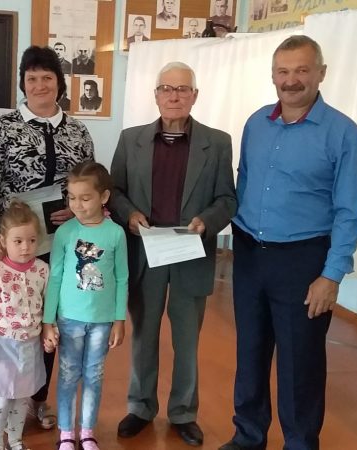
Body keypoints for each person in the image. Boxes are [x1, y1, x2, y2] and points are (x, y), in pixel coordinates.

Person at [219, 36, 357, 450]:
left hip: (304, 262)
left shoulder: (344, 134)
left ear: (321, 73)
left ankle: (300, 443)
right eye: (283, 71)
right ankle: (248, 436)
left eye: (302, 70)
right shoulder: (255, 124)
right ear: (272, 76)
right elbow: (244, 184)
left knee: (300, 363)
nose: (291, 80)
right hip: (250, 254)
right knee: (250, 353)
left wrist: (331, 276)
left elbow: (349, 213)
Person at [109, 61, 237, 447]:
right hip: (144, 252)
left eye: (182, 89)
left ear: (194, 95)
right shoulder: (130, 139)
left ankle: (183, 412)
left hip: (190, 251)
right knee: (143, 335)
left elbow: (227, 198)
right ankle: (141, 406)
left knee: (187, 340)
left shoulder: (217, 143)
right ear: (156, 95)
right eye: (166, 88)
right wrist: (129, 215)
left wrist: (206, 221)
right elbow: (114, 191)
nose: (174, 96)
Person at [0, 45, 95, 430]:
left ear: (59, 83)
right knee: (17, 317)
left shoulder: (78, 131)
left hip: (65, 241)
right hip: (17, 245)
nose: (40, 85)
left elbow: (89, 183)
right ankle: (8, 392)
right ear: (23, 84)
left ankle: (38, 398)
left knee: (51, 320)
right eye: (32, 78)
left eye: (48, 77)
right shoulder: (4, 129)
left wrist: (77, 209)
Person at [43, 161, 128, 450]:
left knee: (94, 375)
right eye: (71, 197)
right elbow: (55, 277)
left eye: (85, 198)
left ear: (104, 197)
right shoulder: (65, 233)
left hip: (102, 321)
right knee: (68, 375)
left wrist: (119, 319)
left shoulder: (115, 233)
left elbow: (122, 278)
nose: (77, 205)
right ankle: (67, 433)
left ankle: (87, 431)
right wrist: (48, 321)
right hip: (69, 319)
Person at [0, 201, 50, 450]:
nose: (26, 247)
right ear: (3, 241)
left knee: (22, 398)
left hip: (29, 347)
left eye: (31, 240)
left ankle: (16, 440)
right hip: (2, 347)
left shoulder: (42, 270)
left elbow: (49, 306)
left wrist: (50, 331)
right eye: (18, 241)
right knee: (2, 398)